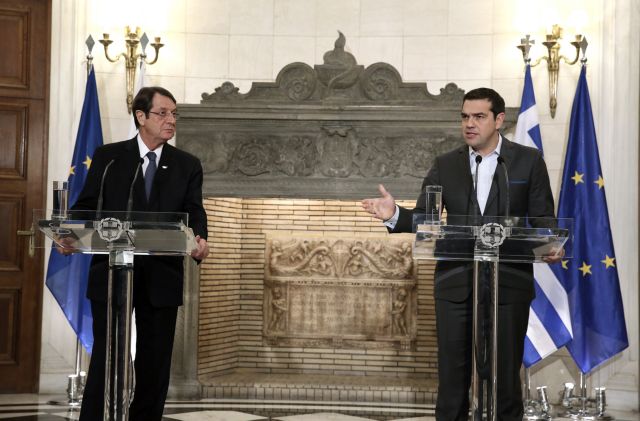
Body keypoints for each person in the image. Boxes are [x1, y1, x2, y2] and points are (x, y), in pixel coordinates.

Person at [362, 88, 560, 421]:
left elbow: (543, 222)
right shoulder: (446, 165)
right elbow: (426, 220)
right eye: (465, 117)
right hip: (456, 285)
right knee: (452, 382)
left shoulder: (527, 161)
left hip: (508, 286)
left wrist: (550, 245)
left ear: (499, 120)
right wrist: (394, 213)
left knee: (505, 381)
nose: (469, 124)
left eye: (479, 116)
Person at [60, 86, 209, 421]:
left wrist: (201, 239)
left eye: (174, 114)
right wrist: (70, 235)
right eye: (163, 113)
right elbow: (86, 207)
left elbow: (194, 211)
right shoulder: (109, 158)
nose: (171, 120)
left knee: (154, 363)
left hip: (161, 274)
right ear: (141, 116)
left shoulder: (187, 165)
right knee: (106, 356)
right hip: (112, 272)